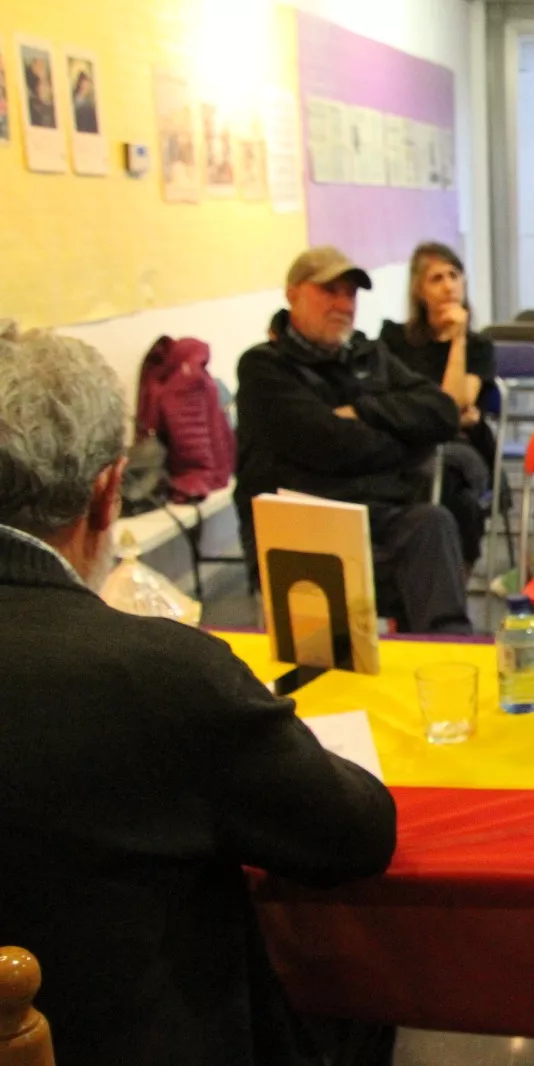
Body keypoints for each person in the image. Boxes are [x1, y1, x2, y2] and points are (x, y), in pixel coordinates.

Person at [0, 323, 397, 1066]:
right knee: (360, 1000)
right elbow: (356, 834)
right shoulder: (162, 675)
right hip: (140, 1037)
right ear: (109, 491)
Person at [235, 245, 471, 634]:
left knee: (433, 522)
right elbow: (332, 446)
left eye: (351, 293)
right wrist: (407, 441)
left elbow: (443, 413)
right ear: (293, 293)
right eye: (330, 291)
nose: (343, 304)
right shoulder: (264, 368)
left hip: (377, 517)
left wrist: (363, 410)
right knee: (425, 574)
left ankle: (448, 659)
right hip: (305, 531)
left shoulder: (367, 354)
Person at [379, 242, 497, 568]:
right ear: (419, 290)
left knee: (440, 472)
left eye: (454, 275)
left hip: (462, 450)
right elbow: (385, 401)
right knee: (459, 503)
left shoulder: (478, 346)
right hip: (405, 446)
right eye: (436, 278)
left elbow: (452, 403)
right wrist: (438, 417)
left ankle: (430, 582)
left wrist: (458, 339)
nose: (448, 286)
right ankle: (440, 592)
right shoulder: (393, 340)